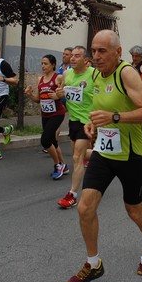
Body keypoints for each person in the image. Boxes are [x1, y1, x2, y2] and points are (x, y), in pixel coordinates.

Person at [66, 30, 142, 282]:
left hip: (130, 154)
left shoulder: (126, 73)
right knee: (85, 207)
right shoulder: (96, 74)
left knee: (134, 210)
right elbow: (97, 108)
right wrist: (91, 123)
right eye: (93, 51)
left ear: (118, 53)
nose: (95, 56)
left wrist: (114, 117)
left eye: (102, 51)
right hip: (103, 152)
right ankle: (93, 263)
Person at [56, 45, 95, 208]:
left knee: (77, 158)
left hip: (88, 122)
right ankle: (111, 156)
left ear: (86, 60)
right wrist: (60, 95)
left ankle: (72, 195)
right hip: (73, 120)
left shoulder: (94, 74)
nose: (72, 58)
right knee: (80, 155)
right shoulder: (67, 74)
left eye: (77, 56)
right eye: (72, 55)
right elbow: (63, 93)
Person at [25, 54, 68, 179]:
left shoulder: (58, 78)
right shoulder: (40, 79)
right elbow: (38, 100)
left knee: (45, 140)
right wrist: (30, 94)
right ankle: (64, 165)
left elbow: (64, 93)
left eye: (46, 64)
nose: (43, 66)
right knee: (53, 141)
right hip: (45, 114)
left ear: (53, 65)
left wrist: (58, 95)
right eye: (42, 64)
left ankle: (57, 165)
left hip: (57, 113)